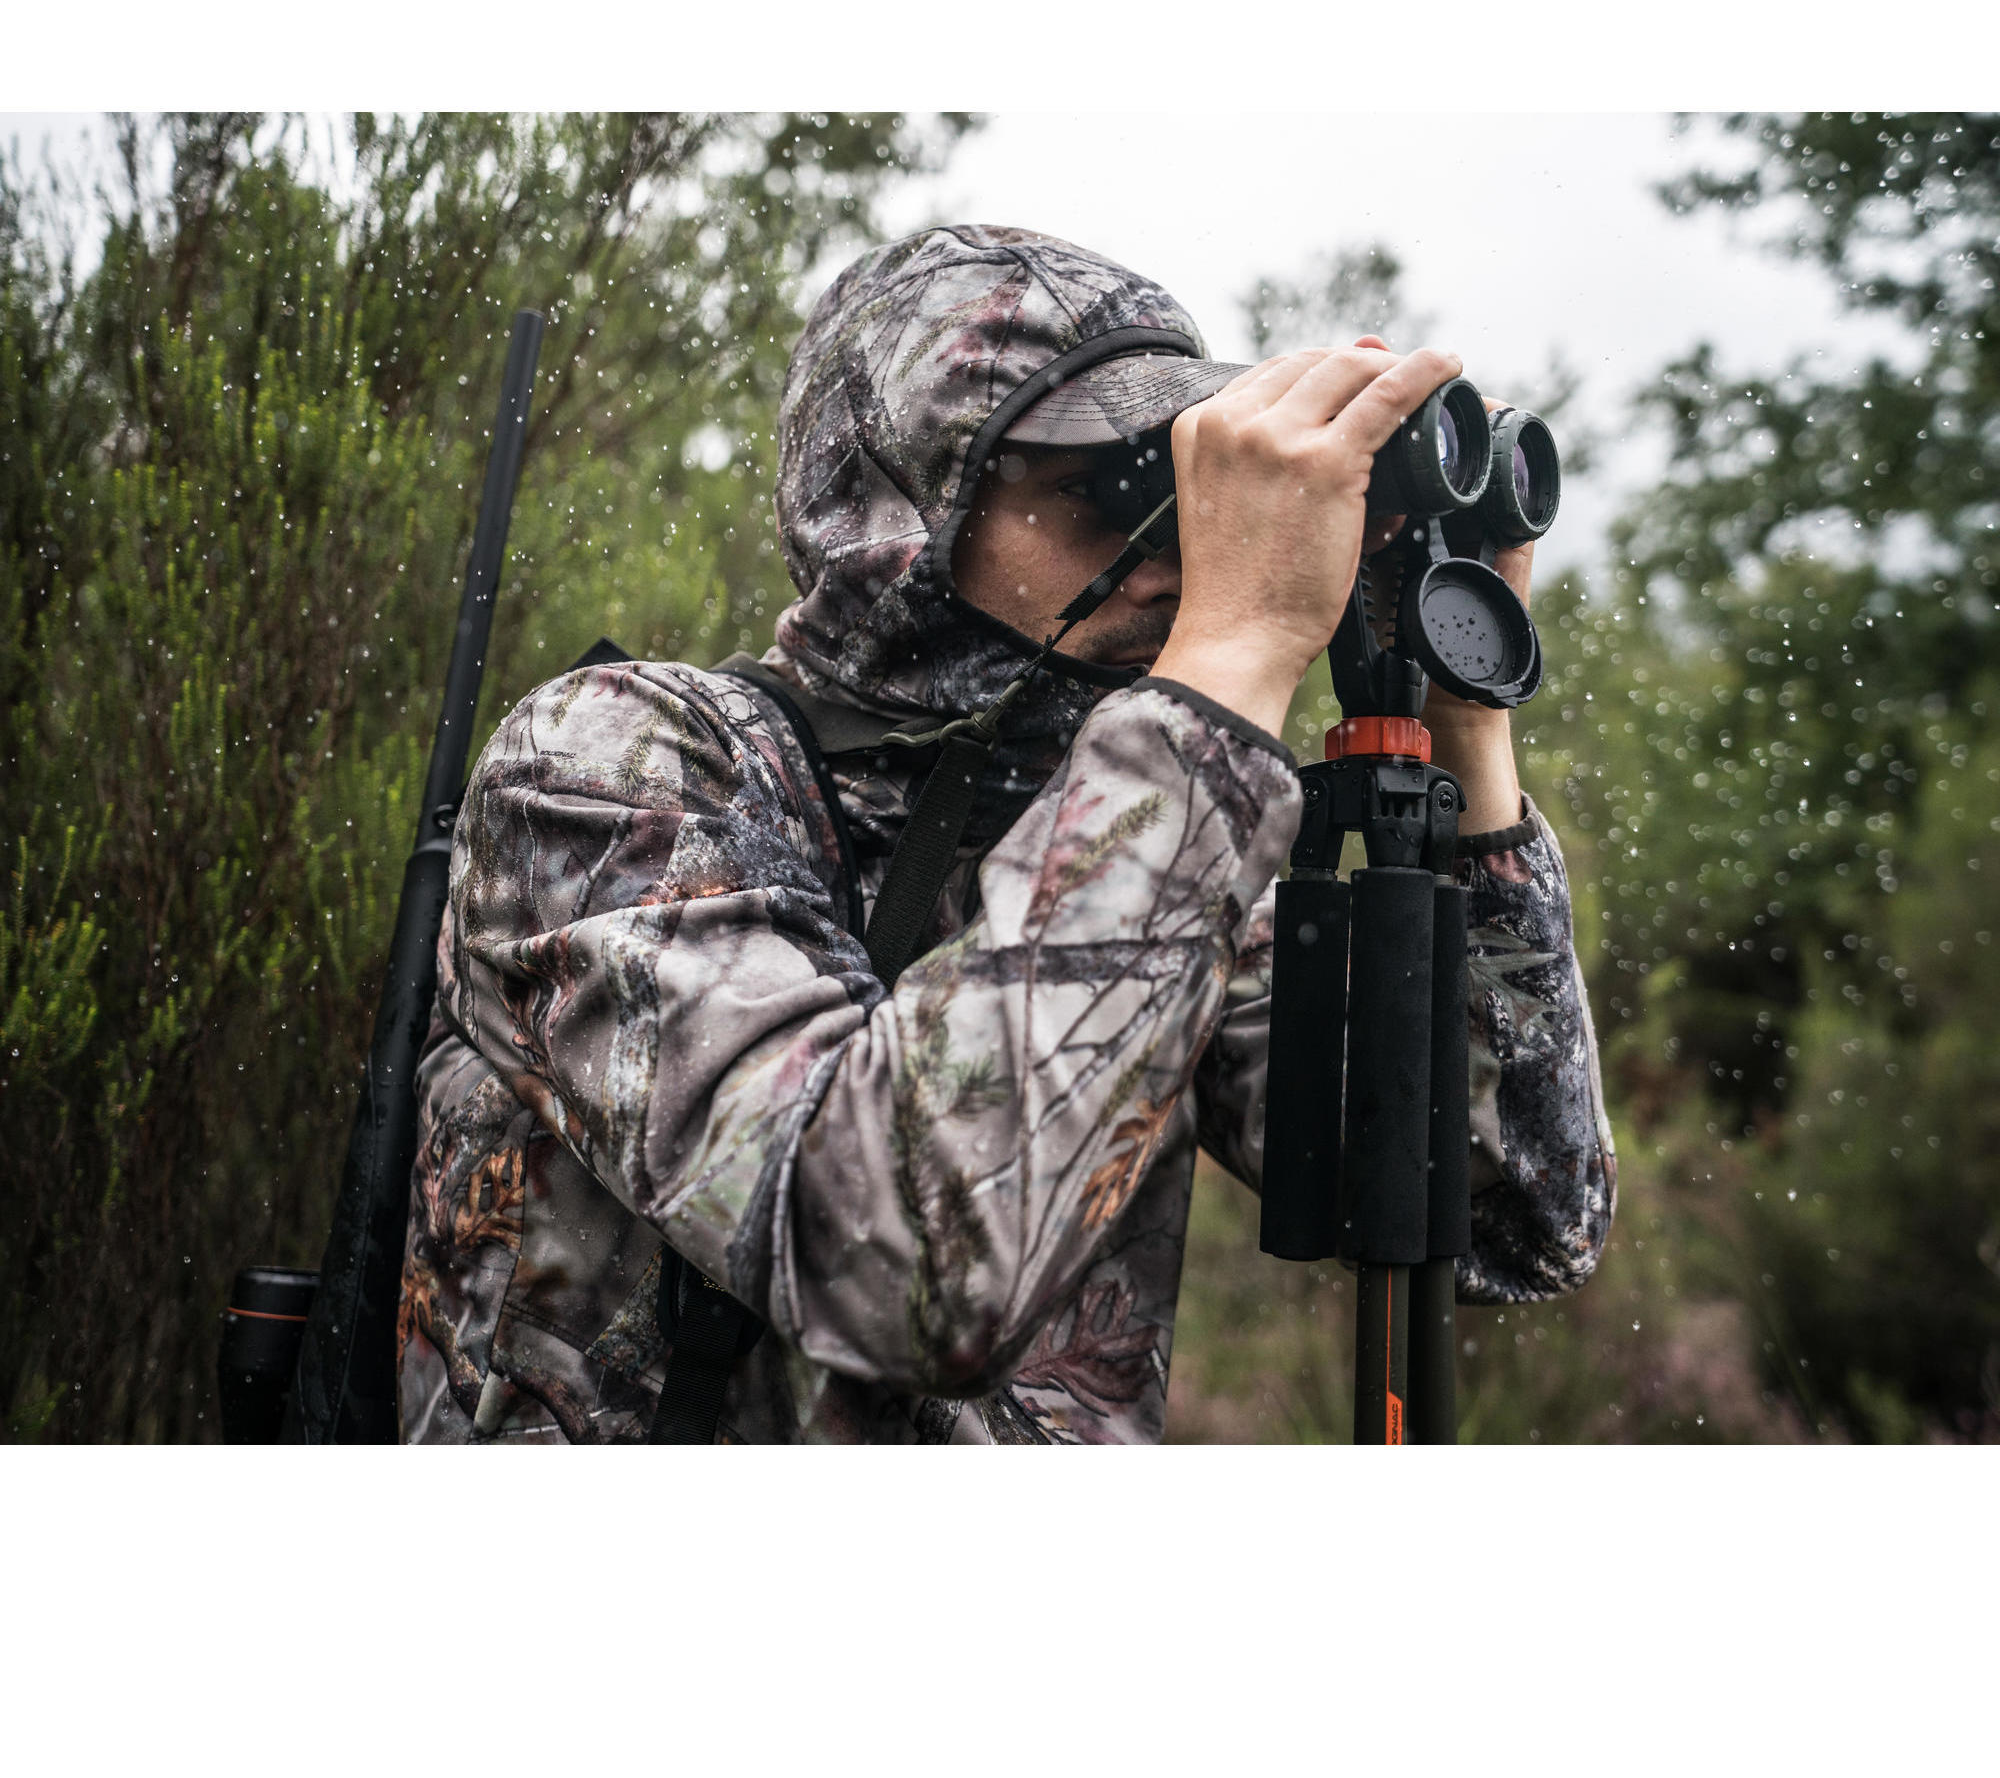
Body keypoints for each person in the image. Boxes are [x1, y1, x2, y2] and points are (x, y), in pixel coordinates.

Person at [396, 223, 1615, 1444]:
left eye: (1174, 485)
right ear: (897, 513)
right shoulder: (617, 767)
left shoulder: (1133, 823)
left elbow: (1514, 1217)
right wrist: (1229, 661)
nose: (1164, 553)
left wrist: (1462, 716)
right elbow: (903, 1265)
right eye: (1101, 491)